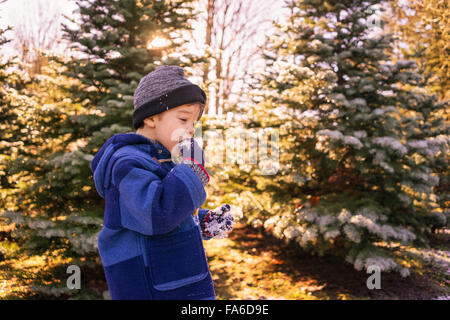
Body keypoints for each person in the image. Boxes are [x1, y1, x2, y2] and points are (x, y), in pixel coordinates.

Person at [90, 65, 235, 300]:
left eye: (194, 123)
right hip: (149, 288)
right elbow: (157, 214)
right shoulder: (127, 164)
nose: (190, 129)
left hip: (175, 281)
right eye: (183, 119)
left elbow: (164, 216)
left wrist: (203, 222)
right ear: (150, 117)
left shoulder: (161, 160)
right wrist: (191, 169)